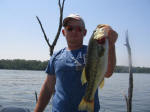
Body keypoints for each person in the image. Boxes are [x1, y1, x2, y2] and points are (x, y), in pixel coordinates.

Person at [34, 13, 118, 112]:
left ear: (85, 32)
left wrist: (111, 44)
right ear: (64, 32)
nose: (74, 31)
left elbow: (108, 73)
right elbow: (48, 87)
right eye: (70, 28)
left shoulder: (92, 51)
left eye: (79, 29)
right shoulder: (55, 57)